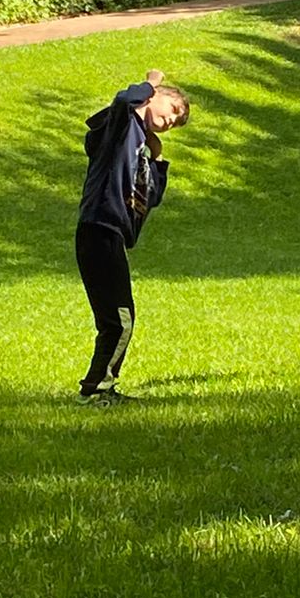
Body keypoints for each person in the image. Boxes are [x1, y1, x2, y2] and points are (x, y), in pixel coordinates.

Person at [74, 69, 190, 404]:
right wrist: (151, 82)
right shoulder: (123, 126)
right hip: (100, 227)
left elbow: (151, 197)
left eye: (177, 121)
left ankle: (99, 387)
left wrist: (158, 157)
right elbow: (125, 100)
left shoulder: (140, 142)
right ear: (153, 98)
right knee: (120, 319)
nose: (172, 120)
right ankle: (97, 390)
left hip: (110, 234)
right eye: (173, 109)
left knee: (118, 318)